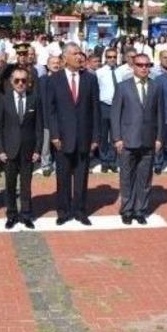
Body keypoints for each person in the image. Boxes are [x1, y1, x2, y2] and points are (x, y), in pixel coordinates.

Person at [46, 42, 101, 226]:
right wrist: (54, 135)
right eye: (75, 53)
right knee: (62, 177)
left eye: (81, 53)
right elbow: (50, 111)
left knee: (81, 176)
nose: (80, 57)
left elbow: (95, 110)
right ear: (65, 58)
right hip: (62, 138)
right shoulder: (54, 79)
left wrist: (95, 137)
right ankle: (63, 211)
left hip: (85, 137)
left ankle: (80, 210)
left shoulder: (90, 79)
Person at [111, 53, 163, 225]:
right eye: (140, 65)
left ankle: (140, 209)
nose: (144, 68)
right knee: (126, 177)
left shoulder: (156, 86)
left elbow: (160, 115)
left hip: (148, 140)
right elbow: (115, 114)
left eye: (147, 65)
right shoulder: (123, 87)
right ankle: (127, 209)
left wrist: (159, 138)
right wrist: (117, 138)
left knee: (144, 178)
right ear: (133, 66)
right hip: (127, 140)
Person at [0, 66, 43, 229]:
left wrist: (37, 149)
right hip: (9, 150)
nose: (20, 83)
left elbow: (39, 127)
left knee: (26, 185)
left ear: (28, 82)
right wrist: (0, 150)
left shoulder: (34, 99)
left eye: (24, 80)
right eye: (17, 80)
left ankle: (26, 214)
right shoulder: (3, 100)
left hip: (28, 150)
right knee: (10, 185)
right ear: (11, 82)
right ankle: (12, 215)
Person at [96, 48, 131, 173]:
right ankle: (104, 160)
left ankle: (113, 160)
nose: (112, 59)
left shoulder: (120, 72)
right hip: (104, 106)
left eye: (114, 57)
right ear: (105, 58)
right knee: (103, 135)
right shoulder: (99, 72)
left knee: (116, 135)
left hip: (118, 106)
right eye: (109, 57)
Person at [37, 55, 62, 177]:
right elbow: (41, 100)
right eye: (53, 63)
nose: (56, 65)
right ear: (48, 65)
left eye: (58, 62)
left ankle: (59, 165)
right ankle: (46, 165)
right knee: (46, 144)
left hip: (61, 118)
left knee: (59, 144)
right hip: (46, 117)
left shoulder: (63, 79)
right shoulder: (43, 80)